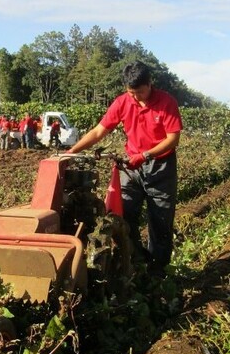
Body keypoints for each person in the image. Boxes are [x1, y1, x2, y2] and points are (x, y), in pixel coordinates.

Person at [66, 60, 182, 276]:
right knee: (123, 216)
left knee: (160, 222)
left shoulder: (166, 102)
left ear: (150, 84)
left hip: (160, 167)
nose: (135, 97)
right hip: (131, 167)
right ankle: (136, 261)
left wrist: (146, 154)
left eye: (139, 92)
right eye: (131, 92)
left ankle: (157, 272)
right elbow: (99, 131)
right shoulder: (122, 102)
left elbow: (173, 138)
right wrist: (72, 151)